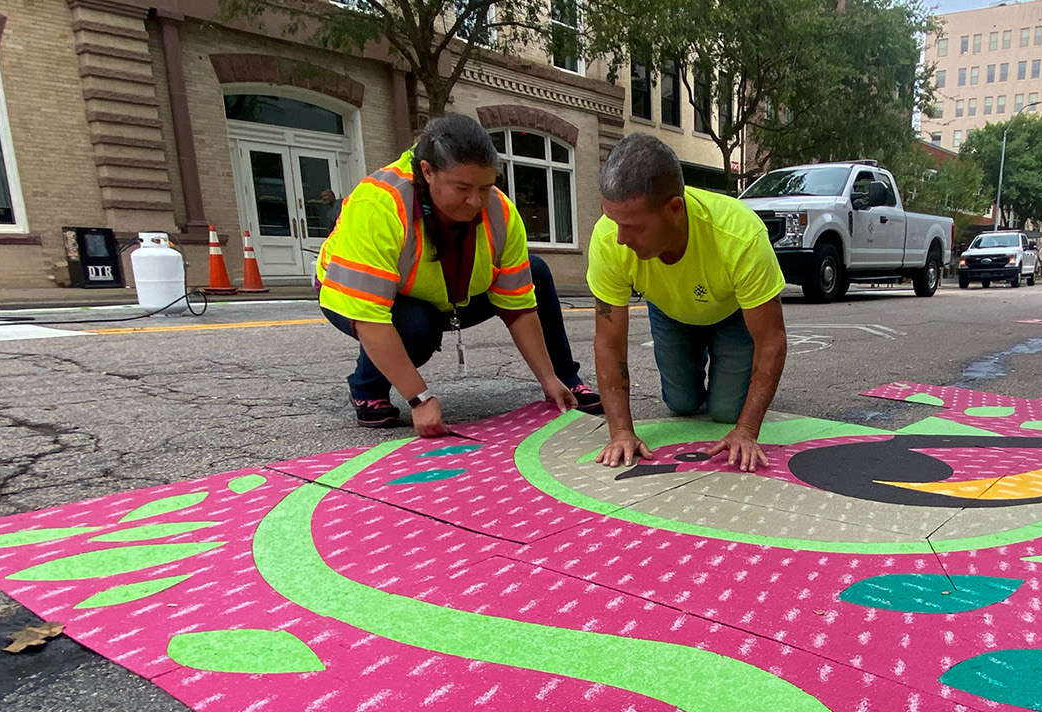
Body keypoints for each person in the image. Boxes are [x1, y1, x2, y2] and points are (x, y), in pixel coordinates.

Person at [316, 113, 598, 435]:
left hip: (449, 296)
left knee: (536, 272)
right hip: (359, 296)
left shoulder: (500, 212)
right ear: (428, 172)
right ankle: (368, 389)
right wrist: (420, 399)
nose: (475, 201)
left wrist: (549, 380)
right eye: (462, 187)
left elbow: (519, 308)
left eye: (486, 187)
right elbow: (367, 315)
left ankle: (566, 380)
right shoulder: (380, 203)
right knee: (416, 327)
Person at [586, 134, 787, 472]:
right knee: (681, 403)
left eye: (633, 227)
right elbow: (608, 343)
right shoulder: (610, 238)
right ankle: (700, 357)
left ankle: (725, 359)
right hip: (670, 311)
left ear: (674, 209)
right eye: (614, 222)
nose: (621, 238)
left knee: (725, 412)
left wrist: (747, 430)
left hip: (731, 312)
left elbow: (771, 340)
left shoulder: (740, 235)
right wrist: (620, 430)